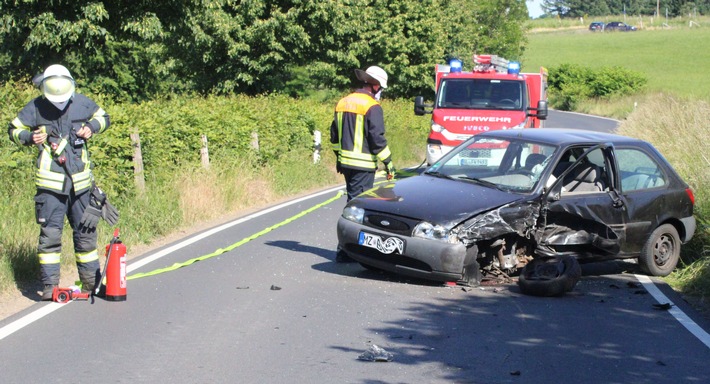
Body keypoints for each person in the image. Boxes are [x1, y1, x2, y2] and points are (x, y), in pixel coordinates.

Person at [7, 64, 114, 300]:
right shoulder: (35, 106)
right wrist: (29, 137)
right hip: (50, 187)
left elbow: (104, 118)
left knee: (86, 234)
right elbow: (13, 129)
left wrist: (91, 128)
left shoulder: (83, 103)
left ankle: (92, 285)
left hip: (80, 185)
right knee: (51, 236)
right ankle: (50, 288)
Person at [330, 65, 395, 262]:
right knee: (357, 209)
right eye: (381, 87)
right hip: (363, 165)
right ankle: (347, 250)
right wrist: (389, 163)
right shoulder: (372, 107)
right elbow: (377, 139)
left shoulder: (343, 102)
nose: (380, 91)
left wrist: (339, 157)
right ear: (375, 86)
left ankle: (349, 249)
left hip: (346, 164)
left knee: (353, 204)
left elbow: (334, 135)